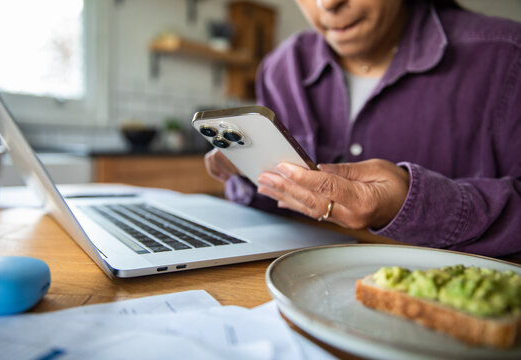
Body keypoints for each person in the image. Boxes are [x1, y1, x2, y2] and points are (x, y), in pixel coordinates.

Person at [204, 0, 521, 258]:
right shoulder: (280, 69)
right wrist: (249, 173)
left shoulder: (508, 57)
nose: (327, 4)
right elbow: (271, 213)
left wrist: (415, 206)